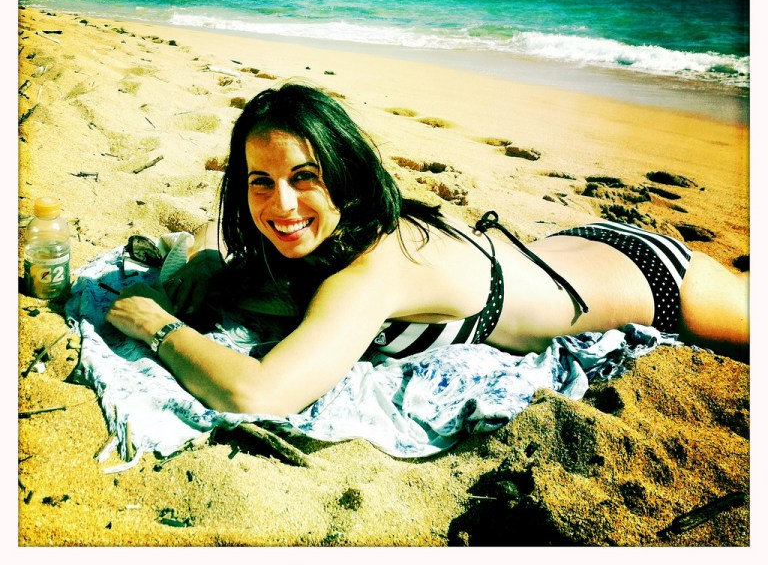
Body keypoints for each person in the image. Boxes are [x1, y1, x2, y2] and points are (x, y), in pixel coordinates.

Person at [106, 82, 749, 417]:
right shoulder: (318, 231)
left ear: (345, 173)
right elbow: (214, 229)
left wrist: (157, 326)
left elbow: (260, 395)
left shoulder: (372, 268)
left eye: (305, 178)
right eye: (261, 182)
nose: (281, 206)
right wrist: (205, 258)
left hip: (656, 281)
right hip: (560, 249)